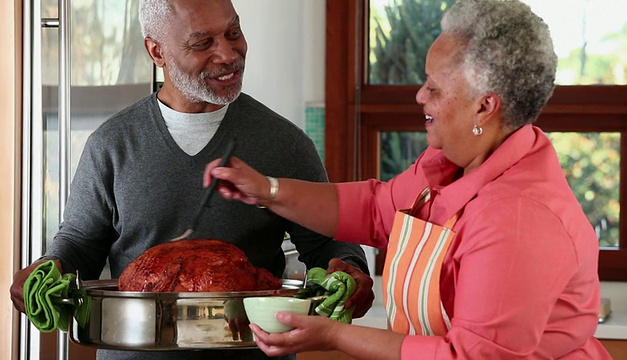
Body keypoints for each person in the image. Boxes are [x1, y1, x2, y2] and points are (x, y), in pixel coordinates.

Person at [203, 0, 613, 358]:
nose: (420, 96)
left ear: (485, 107)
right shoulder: (449, 165)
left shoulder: (517, 219)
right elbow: (378, 210)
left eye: (434, 88)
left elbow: (468, 358)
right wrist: (267, 191)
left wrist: (333, 335)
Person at [10, 0, 373, 359]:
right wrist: (49, 270)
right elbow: (81, 245)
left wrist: (350, 270)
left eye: (233, 33)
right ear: (157, 51)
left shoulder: (284, 144)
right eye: (203, 43)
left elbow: (327, 245)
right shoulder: (111, 144)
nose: (228, 54)